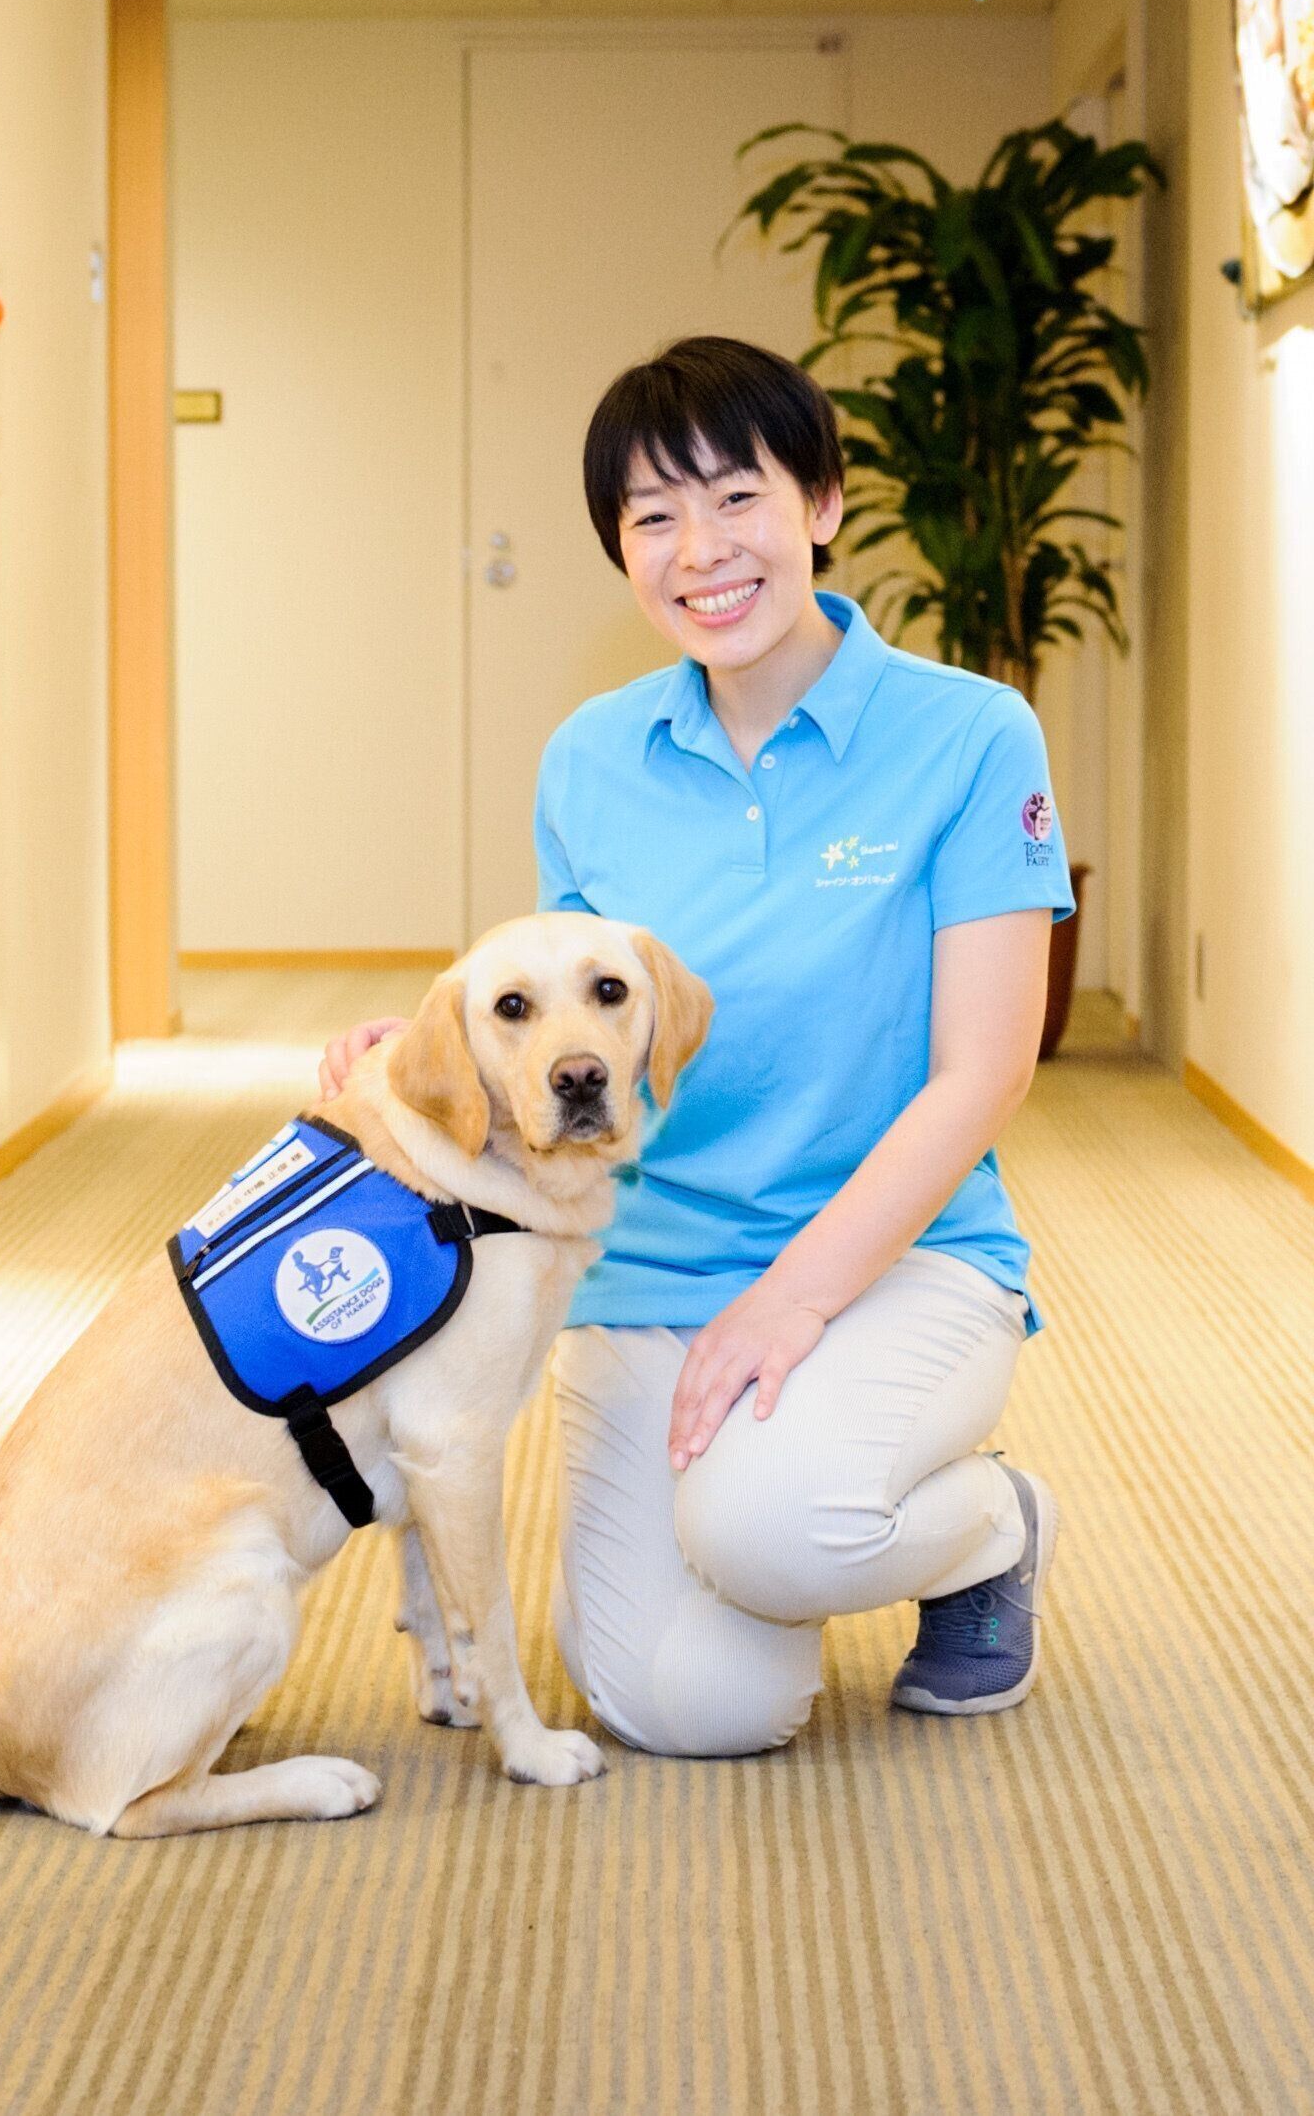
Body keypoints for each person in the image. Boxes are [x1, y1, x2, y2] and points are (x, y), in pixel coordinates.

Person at [320, 334, 1073, 1757]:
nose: (701, 551)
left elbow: (988, 1070)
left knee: (776, 1531)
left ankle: (989, 1531)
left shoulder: (972, 736)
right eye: (653, 516)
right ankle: (779, 1524)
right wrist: (433, 1050)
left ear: (823, 505)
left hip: (898, 1258)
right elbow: (573, 1025)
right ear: (622, 550)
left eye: (738, 498)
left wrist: (793, 1302)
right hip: (650, 1276)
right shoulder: (590, 759)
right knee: (692, 1708)